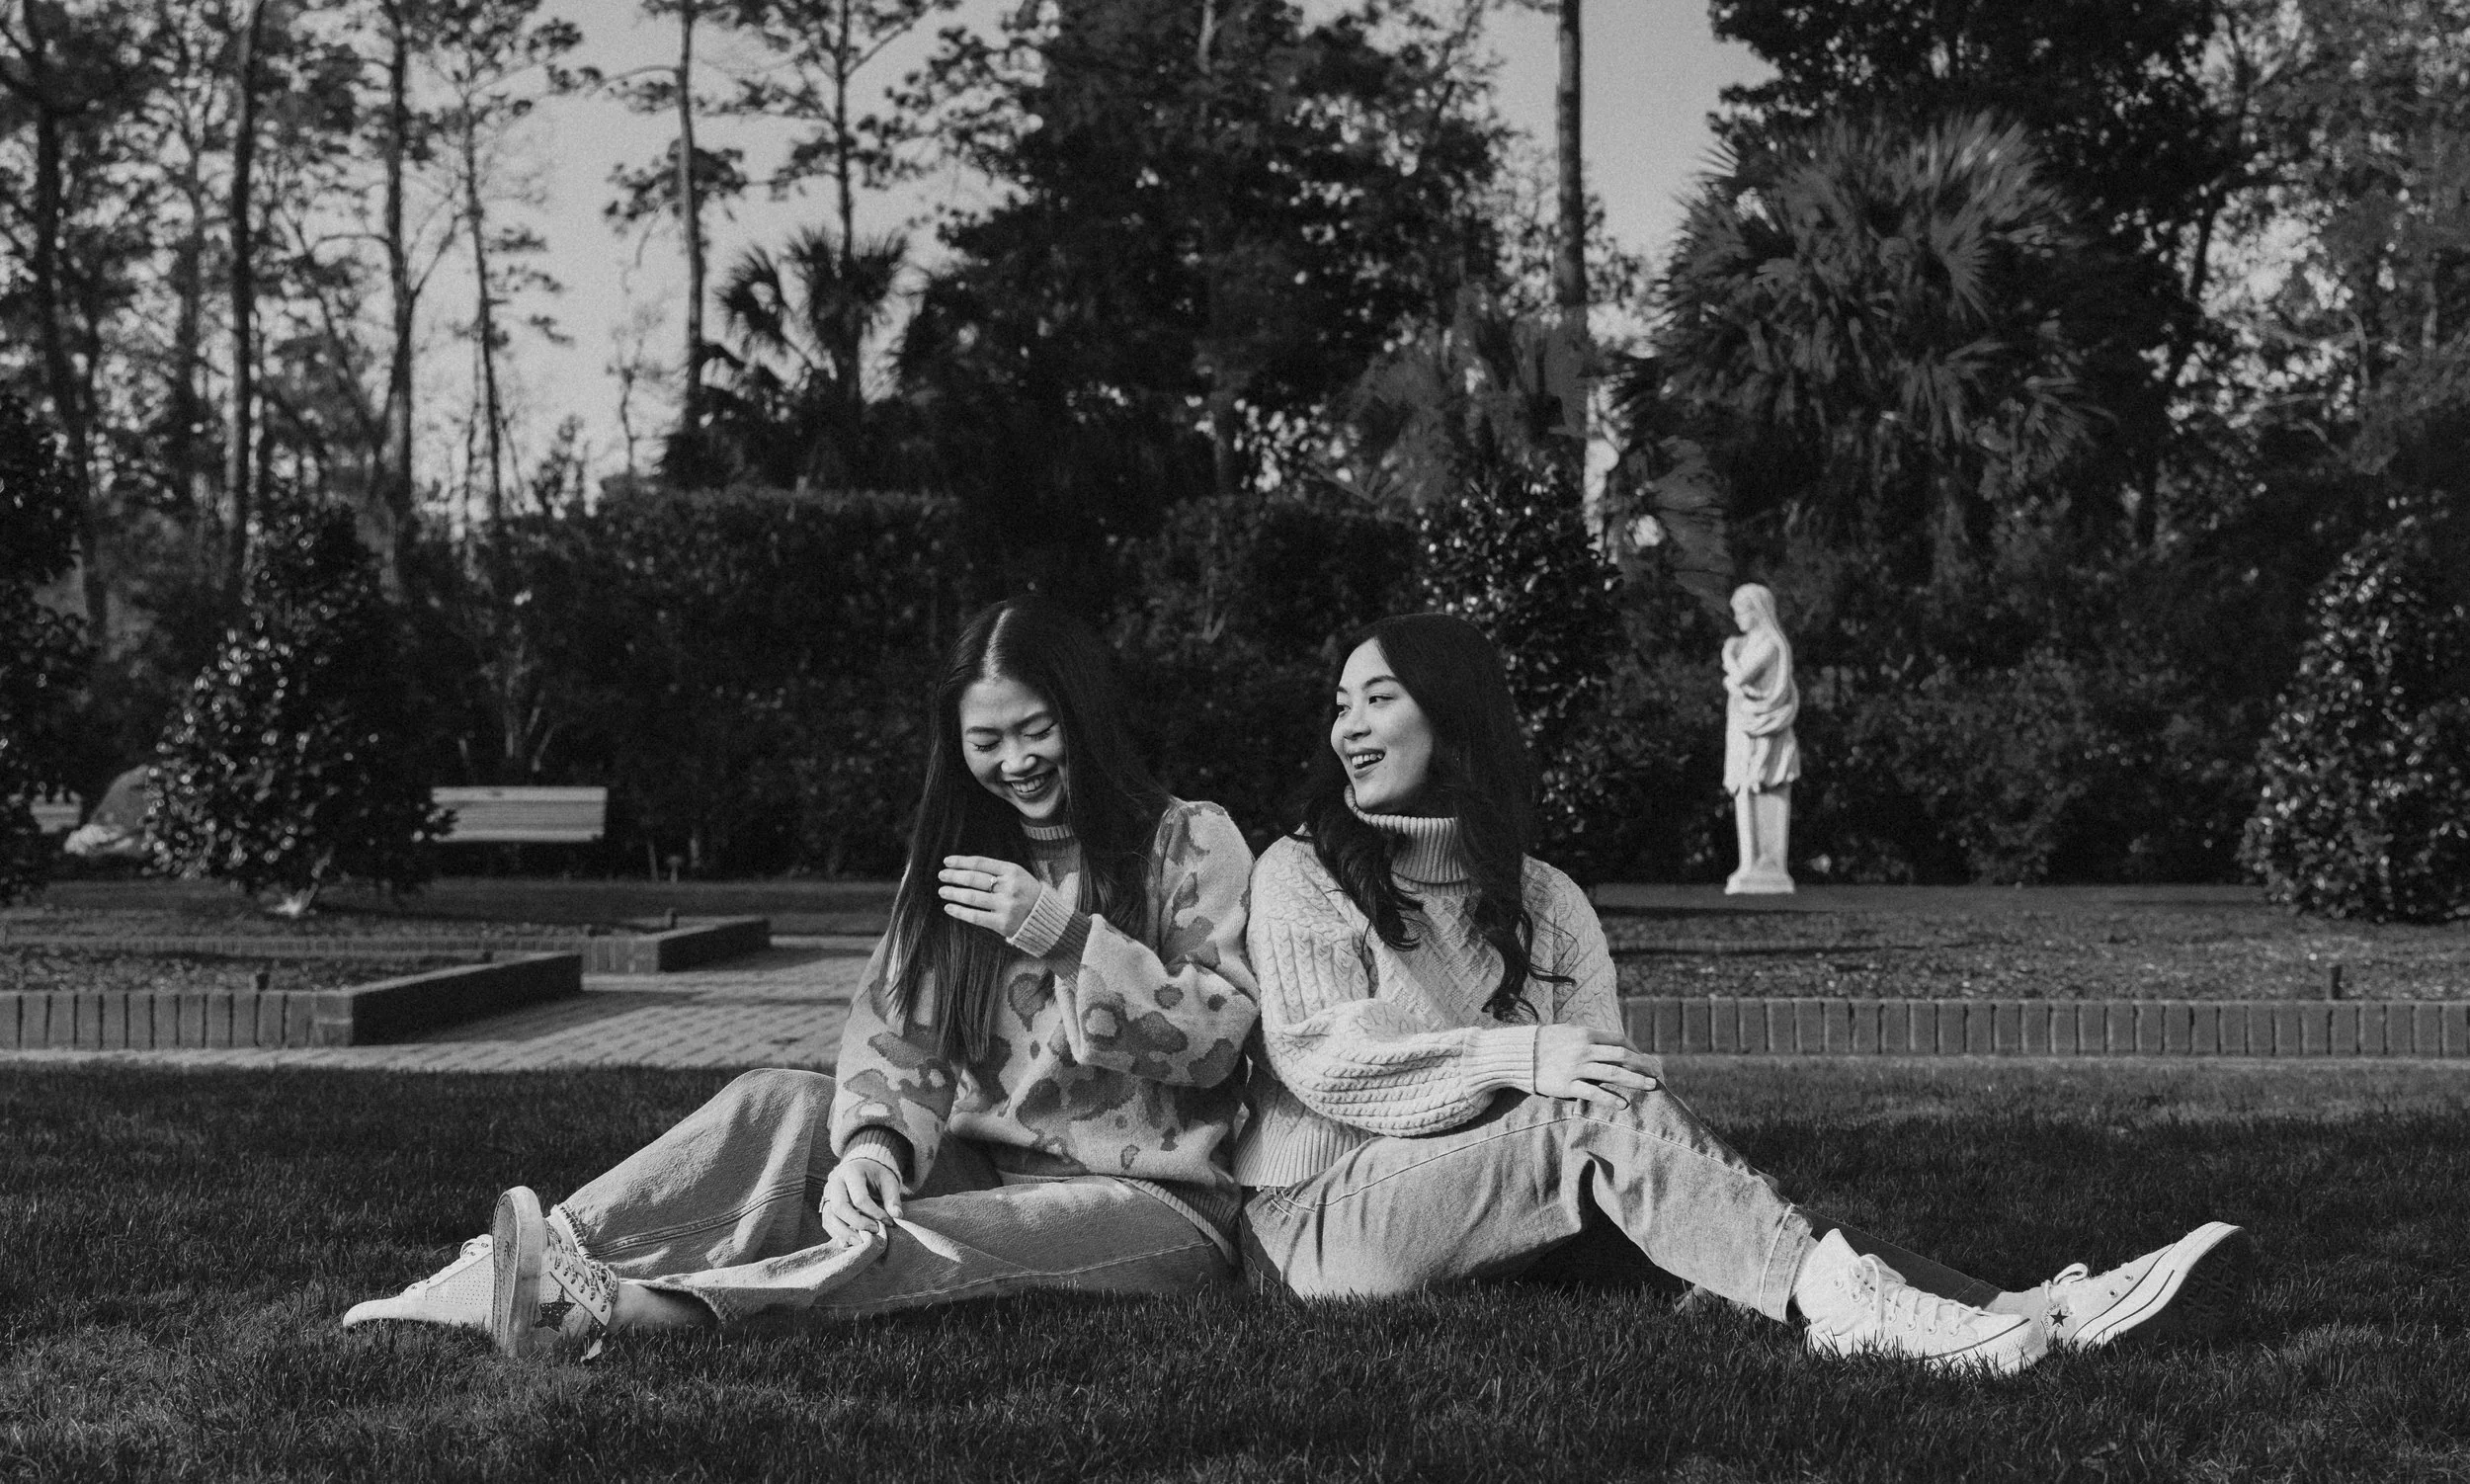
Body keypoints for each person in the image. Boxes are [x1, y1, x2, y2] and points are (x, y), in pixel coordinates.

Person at [1232, 612, 2250, 1373]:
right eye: (1341, 703)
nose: (1345, 727)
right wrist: (1515, 1056)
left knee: (1722, 1206)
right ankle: (1890, 1311)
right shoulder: (1301, 871)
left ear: (1452, 718)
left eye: (1376, 698)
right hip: (1316, 1226)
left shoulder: (1546, 897)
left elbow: (1615, 1089)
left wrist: (1559, 1084)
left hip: (1497, 1208)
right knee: (1607, 1138)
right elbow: (1328, 1060)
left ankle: (2031, 1313)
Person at [343, 597, 1260, 1359]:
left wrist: (1062, 936)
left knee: (929, 1242)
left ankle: (638, 1312)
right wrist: (874, 1148)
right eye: (988, 741)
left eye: (1036, 731)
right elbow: (900, 1029)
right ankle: (517, 1267)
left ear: (1084, 718)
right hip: (980, 1165)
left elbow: (1217, 1042)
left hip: (1155, 1202)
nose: (1015, 763)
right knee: (774, 1100)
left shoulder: (1190, 840)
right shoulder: (958, 858)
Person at [1721, 582, 1799, 893]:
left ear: (1758, 610)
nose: (1737, 618)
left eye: (1742, 611)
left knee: (1764, 789)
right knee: (1745, 790)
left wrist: (1728, 655)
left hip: (1767, 733)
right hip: (1746, 729)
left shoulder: (1770, 643)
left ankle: (1767, 867)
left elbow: (1739, 678)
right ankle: (1750, 864)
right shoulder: (1753, 642)